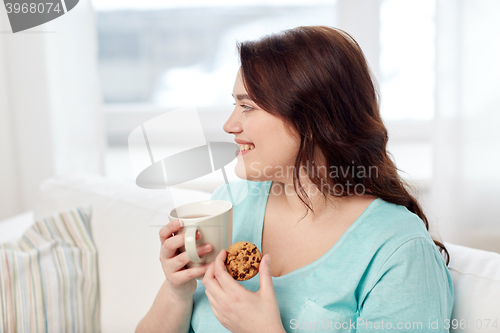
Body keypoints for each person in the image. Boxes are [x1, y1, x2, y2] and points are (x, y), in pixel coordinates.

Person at [136, 26, 454, 333]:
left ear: (313, 120)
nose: (229, 125)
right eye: (234, 104)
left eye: (247, 106)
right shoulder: (231, 204)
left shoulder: (398, 249)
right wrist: (177, 289)